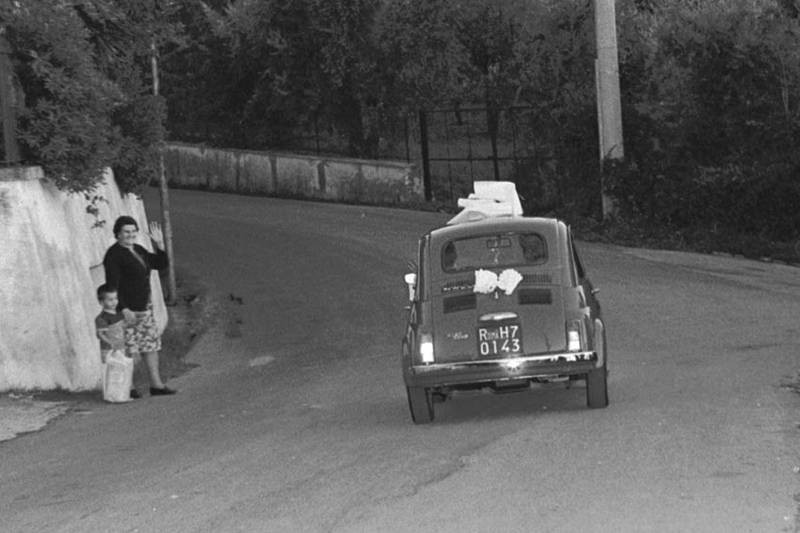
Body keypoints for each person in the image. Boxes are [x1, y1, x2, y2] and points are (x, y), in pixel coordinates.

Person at [103, 215, 176, 396]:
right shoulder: (114, 255)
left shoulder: (138, 250)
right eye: (126, 232)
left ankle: (156, 385)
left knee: (150, 345)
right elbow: (113, 285)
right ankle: (128, 387)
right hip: (127, 309)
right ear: (118, 234)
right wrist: (123, 308)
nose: (130, 235)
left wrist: (160, 245)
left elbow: (160, 264)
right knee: (127, 348)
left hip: (144, 306)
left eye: (133, 231)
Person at [94, 284, 126, 364]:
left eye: (116, 298)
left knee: (123, 370)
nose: (114, 302)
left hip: (120, 347)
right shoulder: (102, 318)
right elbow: (100, 335)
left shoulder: (119, 314)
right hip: (109, 350)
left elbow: (123, 327)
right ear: (101, 302)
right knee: (112, 372)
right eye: (110, 300)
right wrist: (111, 343)